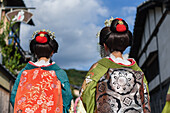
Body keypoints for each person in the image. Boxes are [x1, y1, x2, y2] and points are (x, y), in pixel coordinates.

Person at [81, 18, 151, 113]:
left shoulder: (99, 67)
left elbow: (86, 94)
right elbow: (146, 97)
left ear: (105, 46)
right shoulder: (137, 70)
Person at [10, 30, 73, 113]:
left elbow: (14, 97)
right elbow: (67, 97)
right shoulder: (59, 73)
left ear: (35, 52)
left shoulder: (24, 73)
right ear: (52, 52)